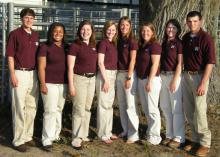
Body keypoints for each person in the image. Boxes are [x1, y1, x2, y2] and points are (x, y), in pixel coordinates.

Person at [182, 11, 215, 157]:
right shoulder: (186, 37)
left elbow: (210, 63)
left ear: (200, 21)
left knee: (200, 111)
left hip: (199, 77)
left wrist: (203, 82)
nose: (192, 24)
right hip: (186, 76)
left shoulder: (206, 38)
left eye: (195, 21)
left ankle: (205, 143)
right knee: (189, 110)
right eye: (189, 21)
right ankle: (195, 139)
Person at [6, 8, 39, 152]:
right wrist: (12, 74)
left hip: (34, 74)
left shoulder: (36, 35)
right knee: (19, 107)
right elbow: (10, 56)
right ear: (21, 19)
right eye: (26, 17)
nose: (29, 20)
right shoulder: (14, 34)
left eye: (31, 18)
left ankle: (27, 135)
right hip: (19, 73)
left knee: (31, 106)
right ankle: (18, 140)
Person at [38, 22, 68, 151]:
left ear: (64, 34)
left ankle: (55, 135)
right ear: (51, 32)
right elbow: (41, 67)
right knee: (50, 111)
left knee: (59, 109)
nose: (58, 34)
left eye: (61, 31)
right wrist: (42, 83)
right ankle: (46, 139)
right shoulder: (45, 47)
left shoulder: (67, 47)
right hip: (49, 84)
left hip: (63, 84)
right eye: (55, 31)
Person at [68, 20, 97, 150]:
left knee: (87, 108)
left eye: (88, 30)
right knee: (79, 109)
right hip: (79, 79)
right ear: (80, 30)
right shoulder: (75, 46)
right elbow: (70, 67)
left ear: (92, 31)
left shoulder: (93, 45)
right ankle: (76, 138)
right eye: (83, 29)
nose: (85, 32)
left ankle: (83, 134)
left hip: (91, 80)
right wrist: (71, 85)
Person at [160, 19, 185, 148]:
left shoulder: (179, 43)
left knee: (176, 109)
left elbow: (180, 63)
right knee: (165, 107)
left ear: (177, 30)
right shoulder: (164, 42)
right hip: (163, 76)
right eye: (169, 27)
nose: (171, 30)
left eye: (173, 27)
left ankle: (179, 137)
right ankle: (169, 135)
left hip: (174, 77)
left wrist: (175, 79)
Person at [136, 22, 162, 145]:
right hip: (141, 79)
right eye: (143, 31)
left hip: (151, 80)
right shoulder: (141, 45)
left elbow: (155, 64)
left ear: (152, 32)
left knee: (152, 109)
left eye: (148, 31)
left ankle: (155, 136)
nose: (145, 33)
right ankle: (150, 132)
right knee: (146, 109)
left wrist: (150, 81)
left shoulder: (154, 46)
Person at [116, 16, 139, 144]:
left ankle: (134, 134)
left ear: (130, 27)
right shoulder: (118, 40)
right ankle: (125, 130)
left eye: (126, 25)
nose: (124, 27)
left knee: (130, 105)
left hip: (128, 74)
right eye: (122, 25)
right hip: (119, 74)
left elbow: (133, 60)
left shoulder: (132, 41)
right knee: (122, 104)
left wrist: (129, 77)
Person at [96, 20, 118, 144]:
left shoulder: (113, 43)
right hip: (105, 75)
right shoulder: (103, 43)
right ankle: (102, 134)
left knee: (109, 106)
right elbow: (100, 62)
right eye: (109, 29)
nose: (111, 32)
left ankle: (108, 131)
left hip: (113, 74)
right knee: (103, 105)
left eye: (113, 30)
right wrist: (105, 80)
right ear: (105, 30)